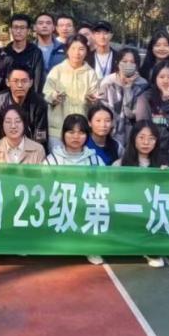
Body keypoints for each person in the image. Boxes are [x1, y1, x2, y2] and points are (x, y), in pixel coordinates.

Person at [44, 113, 105, 264]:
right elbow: (44, 187)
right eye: (71, 132)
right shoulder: (52, 160)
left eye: (81, 132)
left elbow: (104, 187)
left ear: (87, 135)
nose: (76, 137)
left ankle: (91, 247)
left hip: (85, 206)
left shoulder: (95, 160)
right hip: (60, 205)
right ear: (63, 134)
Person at [115, 119, 166, 268]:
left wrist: (167, 177)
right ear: (133, 138)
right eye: (141, 137)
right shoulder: (119, 165)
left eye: (151, 138)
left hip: (151, 217)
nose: (146, 142)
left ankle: (150, 248)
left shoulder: (163, 167)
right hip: (127, 214)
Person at [44, 34, 101, 152]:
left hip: (81, 130)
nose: (77, 53)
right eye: (73, 48)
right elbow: (46, 94)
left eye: (81, 49)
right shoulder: (57, 70)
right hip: (57, 130)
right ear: (67, 51)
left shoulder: (90, 73)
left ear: (86, 51)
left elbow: (94, 99)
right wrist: (54, 97)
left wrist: (92, 100)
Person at [0, 65, 49, 147]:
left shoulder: (39, 104)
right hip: (3, 148)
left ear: (31, 83)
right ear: (7, 82)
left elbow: (40, 138)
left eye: (24, 81)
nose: (20, 85)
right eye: (15, 81)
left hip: (29, 149)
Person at [99, 47, 149, 146]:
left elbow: (130, 114)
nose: (128, 64)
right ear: (117, 63)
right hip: (110, 131)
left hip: (133, 132)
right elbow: (103, 109)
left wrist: (128, 88)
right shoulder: (108, 82)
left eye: (132, 62)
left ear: (137, 65)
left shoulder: (142, 84)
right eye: (124, 61)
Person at [4, 14, 46, 92]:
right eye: (15, 27)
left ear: (28, 31)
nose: (18, 31)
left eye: (22, 28)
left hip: (30, 97)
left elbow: (38, 81)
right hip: (7, 97)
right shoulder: (4, 53)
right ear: (10, 30)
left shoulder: (36, 52)